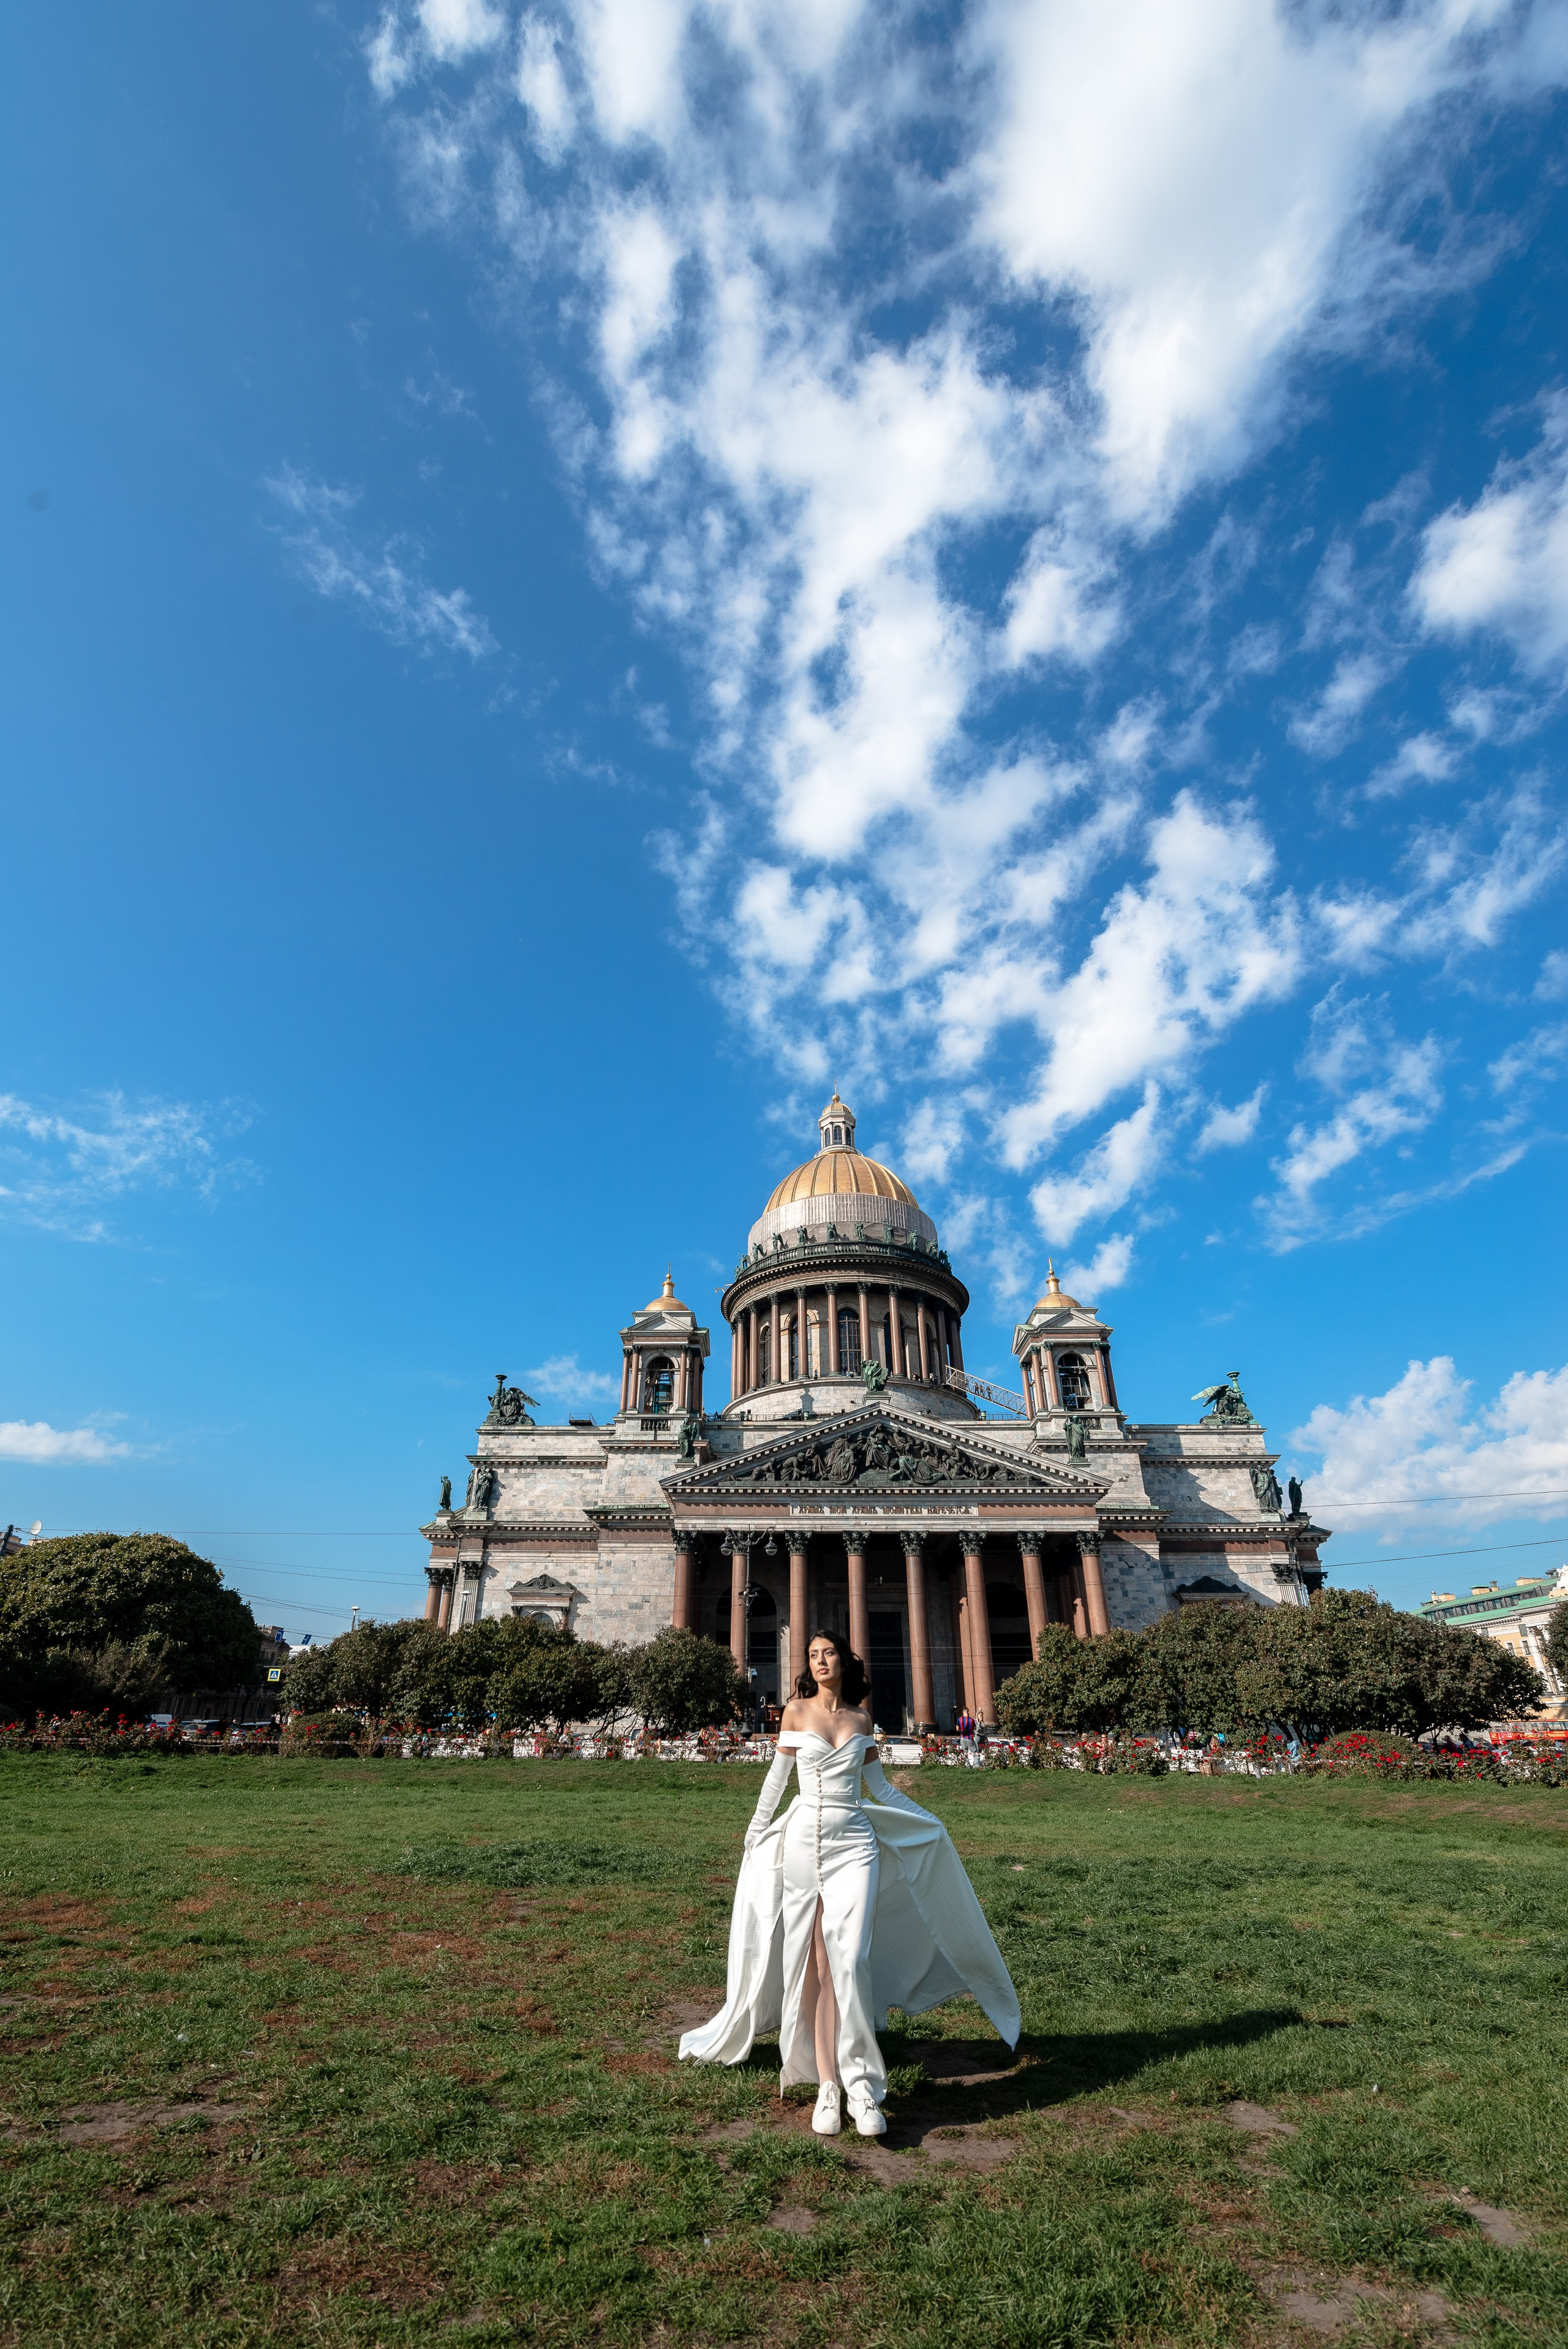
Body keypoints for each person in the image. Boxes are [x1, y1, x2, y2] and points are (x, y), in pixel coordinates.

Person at [679, 1629, 1020, 2140]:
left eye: (828, 1653)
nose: (820, 1661)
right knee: (816, 1965)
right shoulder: (795, 1712)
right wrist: (754, 1832)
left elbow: (880, 1788)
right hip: (803, 1845)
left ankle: (862, 2085)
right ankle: (828, 2085)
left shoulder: (862, 1719)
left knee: (853, 1957)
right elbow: (776, 1781)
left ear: (844, 1660)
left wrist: (930, 1820)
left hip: (856, 1845)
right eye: (813, 1655)